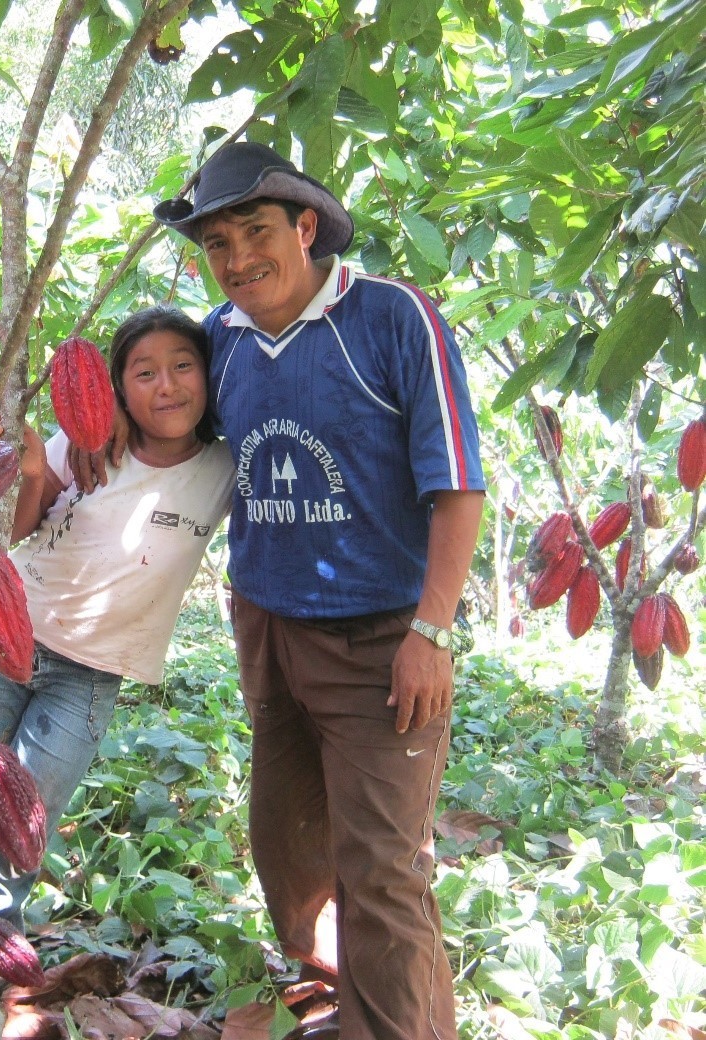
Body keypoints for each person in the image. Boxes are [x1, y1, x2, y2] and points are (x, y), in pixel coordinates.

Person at [77, 142, 486, 1040]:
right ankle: (351, 1004)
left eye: (255, 233)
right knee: (292, 852)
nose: (237, 260)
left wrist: (434, 631)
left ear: (306, 228)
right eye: (216, 245)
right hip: (268, 627)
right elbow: (173, 426)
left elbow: (458, 487)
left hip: (384, 638)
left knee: (380, 868)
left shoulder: (393, 318)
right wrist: (93, 419)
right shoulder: (219, 339)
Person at [0, 306, 234, 932]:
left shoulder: (226, 469)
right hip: (7, 635)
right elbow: (15, 531)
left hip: (89, 676)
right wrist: (36, 467)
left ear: (209, 375)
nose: (166, 386)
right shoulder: (87, 441)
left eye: (182, 366)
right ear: (120, 388)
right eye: (143, 373)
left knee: (23, 816)